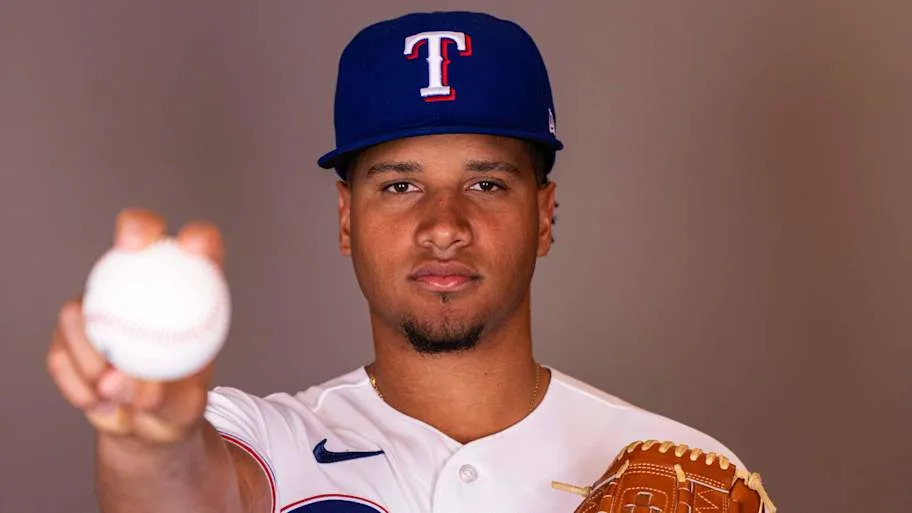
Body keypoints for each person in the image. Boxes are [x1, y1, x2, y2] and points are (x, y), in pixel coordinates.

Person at [46, 11, 745, 513]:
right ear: (348, 217)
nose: (444, 226)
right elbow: (182, 492)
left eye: (487, 184)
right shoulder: (258, 440)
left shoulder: (685, 471)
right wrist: (151, 443)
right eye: (400, 186)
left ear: (544, 215)